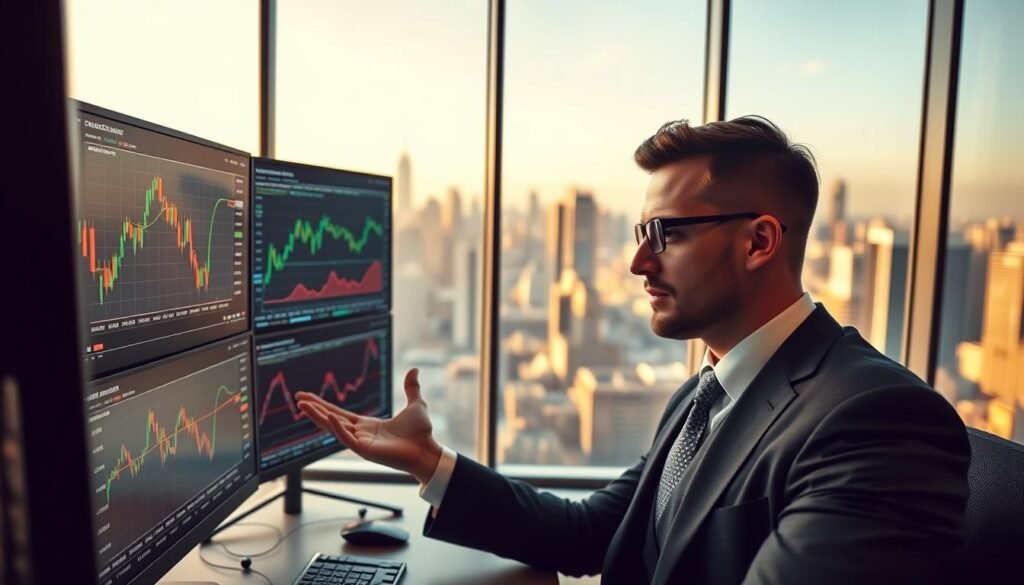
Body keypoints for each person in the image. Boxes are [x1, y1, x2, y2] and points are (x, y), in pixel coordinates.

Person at [296, 116, 970, 585]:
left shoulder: (876, 420)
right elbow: (590, 532)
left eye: (665, 233)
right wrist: (429, 462)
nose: (636, 261)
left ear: (759, 241)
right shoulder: (704, 393)